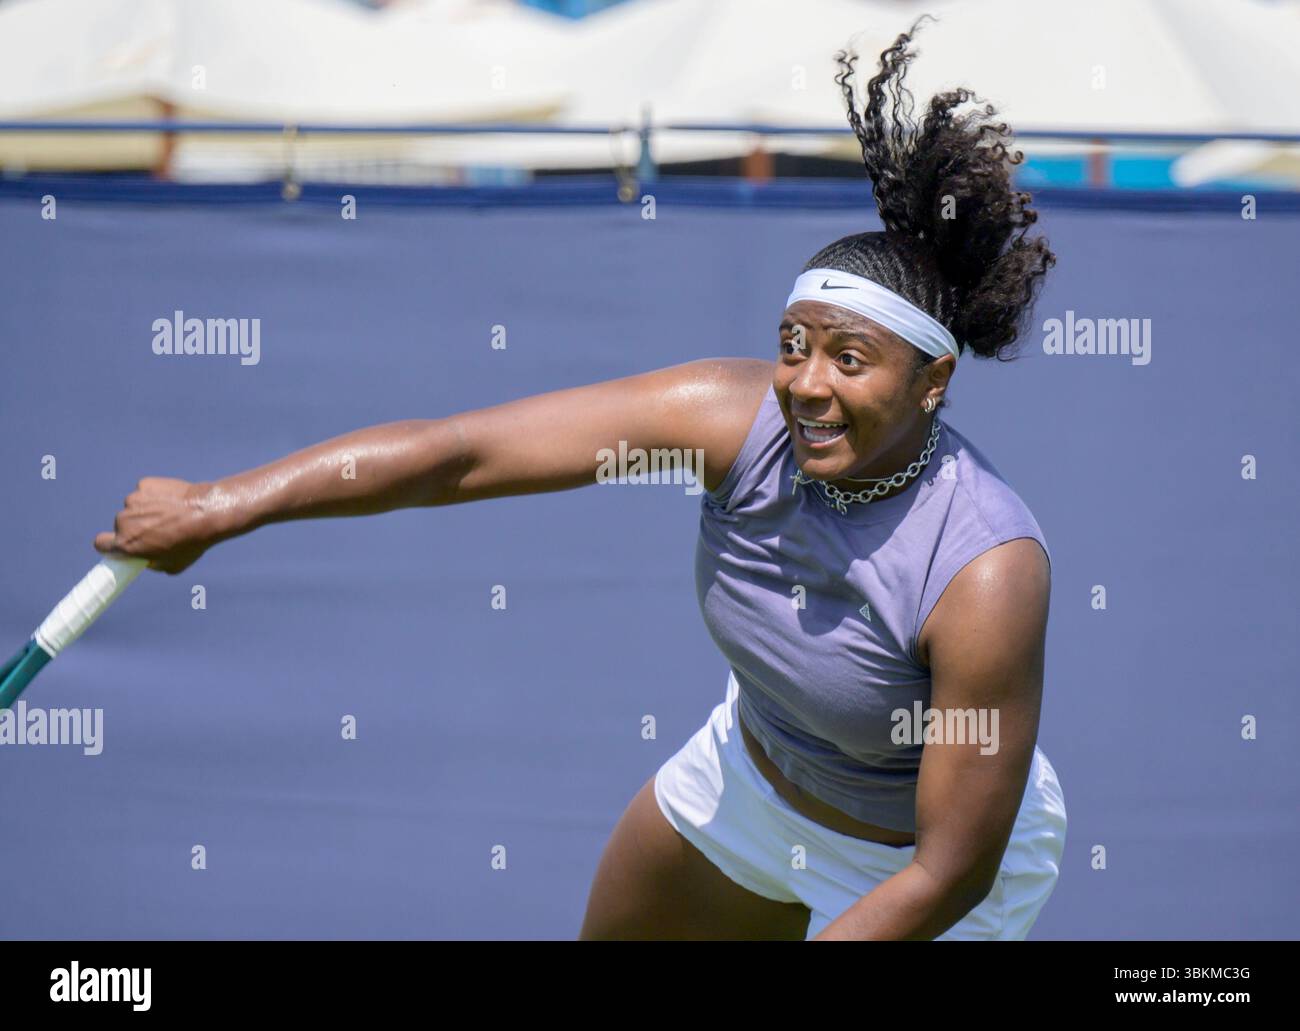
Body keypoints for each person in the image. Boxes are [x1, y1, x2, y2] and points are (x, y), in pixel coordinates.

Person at [95, 21, 1065, 940]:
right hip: (752, 780)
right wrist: (223, 505)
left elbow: (948, 869)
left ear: (931, 382)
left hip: (916, 865)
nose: (807, 383)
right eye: (793, 346)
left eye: (849, 359)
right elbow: (457, 453)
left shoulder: (983, 569)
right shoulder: (729, 422)